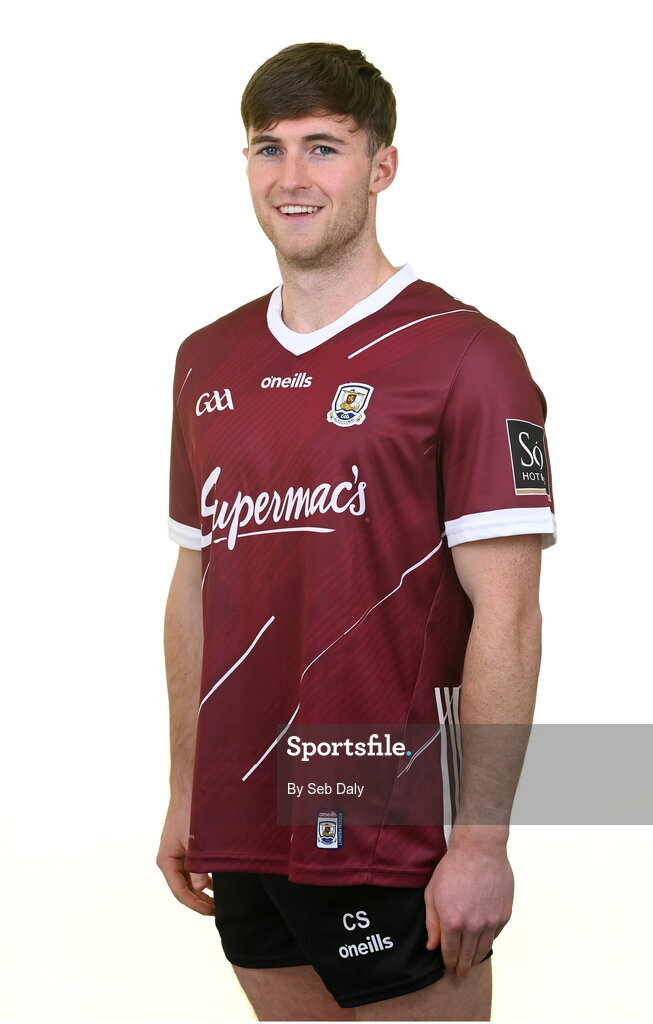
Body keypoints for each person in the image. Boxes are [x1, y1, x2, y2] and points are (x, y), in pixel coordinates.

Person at [157, 41, 557, 1022]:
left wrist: (481, 840)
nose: (291, 178)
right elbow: (196, 586)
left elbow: (504, 614)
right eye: (268, 148)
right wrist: (184, 788)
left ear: (381, 165)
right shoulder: (205, 359)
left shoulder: (466, 355)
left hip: (384, 814)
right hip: (244, 816)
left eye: (323, 147)